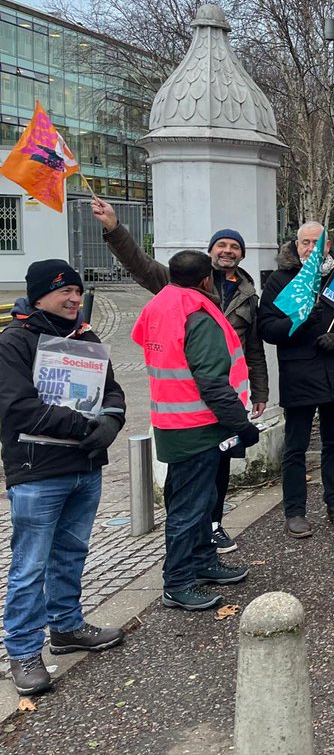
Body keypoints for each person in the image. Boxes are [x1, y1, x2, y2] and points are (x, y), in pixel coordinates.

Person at [91, 196, 267, 554]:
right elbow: (140, 265)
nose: (228, 251)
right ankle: (188, 553)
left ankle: (213, 526)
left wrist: (259, 392)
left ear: (242, 255)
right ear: (210, 253)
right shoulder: (180, 281)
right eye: (222, 245)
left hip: (225, 403)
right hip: (193, 409)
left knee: (219, 467)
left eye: (234, 246)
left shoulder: (248, 294)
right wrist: (114, 227)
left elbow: (253, 348)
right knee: (190, 482)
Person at [0, 261, 127, 695]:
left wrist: (111, 421)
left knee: (71, 553)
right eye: (65, 292)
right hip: (38, 471)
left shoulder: (84, 336)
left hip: (84, 467)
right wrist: (82, 426)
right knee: (30, 564)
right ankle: (22, 650)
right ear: (40, 295)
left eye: (77, 290)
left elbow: (112, 390)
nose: (75, 298)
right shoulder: (14, 341)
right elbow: (17, 407)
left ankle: (67, 626)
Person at [131, 250, 256, 611]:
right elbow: (212, 382)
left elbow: (149, 345)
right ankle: (178, 581)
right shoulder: (197, 315)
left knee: (197, 502)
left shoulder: (159, 305)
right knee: (189, 508)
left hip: (172, 421)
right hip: (198, 426)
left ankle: (203, 562)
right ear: (206, 279)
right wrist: (242, 425)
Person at [258, 222, 334, 538]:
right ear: (296, 245)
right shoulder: (281, 280)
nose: (310, 248)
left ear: (328, 245)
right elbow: (266, 327)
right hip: (300, 374)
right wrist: (297, 322)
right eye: (305, 242)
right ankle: (295, 511)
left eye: (316, 243)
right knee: (295, 447)